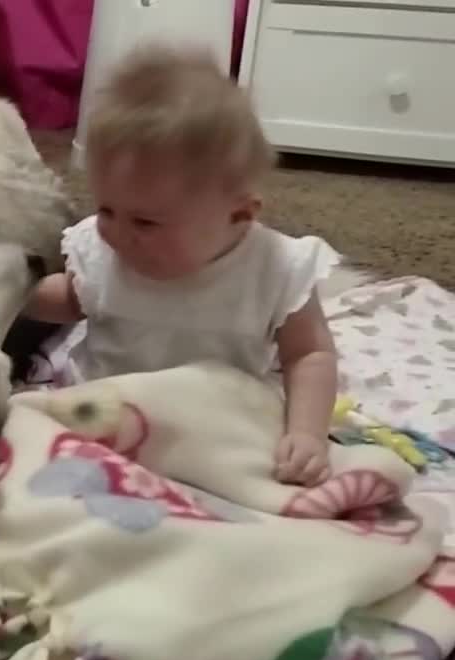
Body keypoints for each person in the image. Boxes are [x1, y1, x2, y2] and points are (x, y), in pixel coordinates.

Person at [27, 43, 340, 488]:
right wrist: (12, 292)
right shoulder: (107, 255)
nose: (115, 232)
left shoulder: (276, 270)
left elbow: (309, 355)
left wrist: (307, 433)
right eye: (106, 209)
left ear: (239, 215)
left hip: (217, 426)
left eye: (145, 221)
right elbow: (72, 299)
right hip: (104, 413)